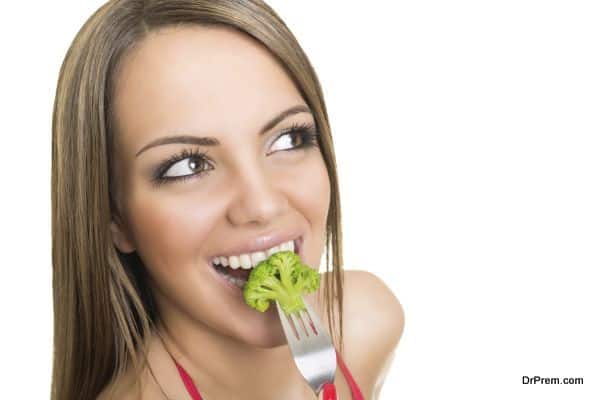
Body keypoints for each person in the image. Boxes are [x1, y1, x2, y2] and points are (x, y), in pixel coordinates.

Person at [51, 1, 405, 398]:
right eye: (187, 165)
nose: (262, 205)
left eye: (288, 139)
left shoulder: (364, 321)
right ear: (113, 217)